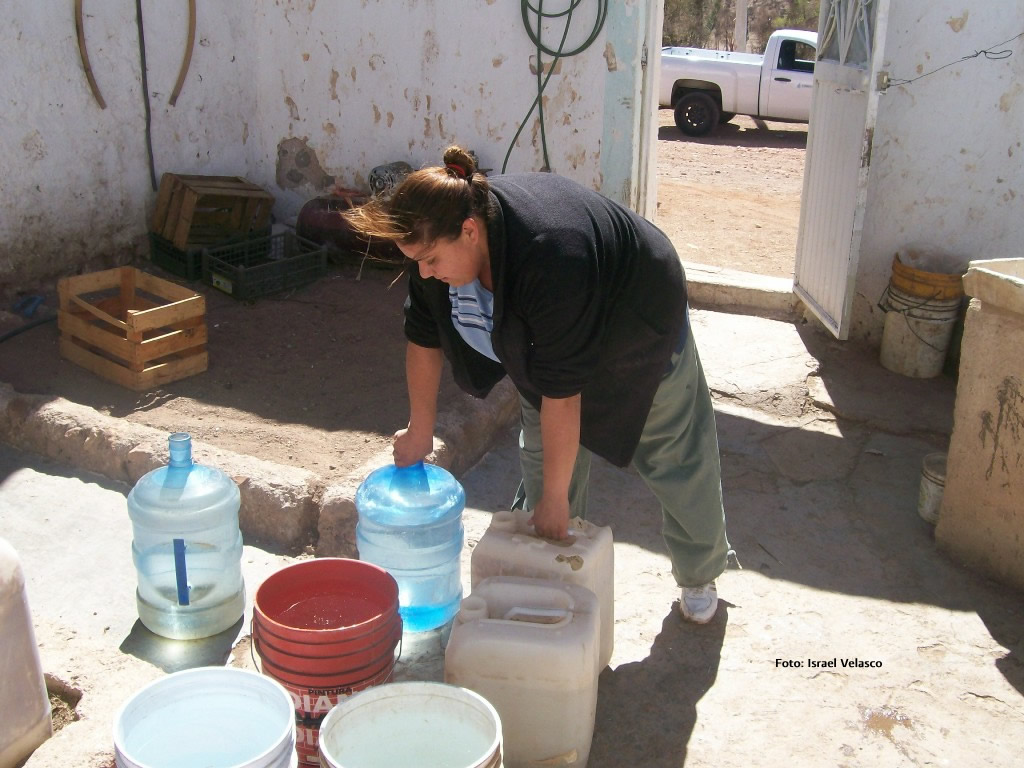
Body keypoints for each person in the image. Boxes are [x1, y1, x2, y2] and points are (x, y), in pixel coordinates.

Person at [344, 146, 731, 624]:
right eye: (416, 263)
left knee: (673, 454)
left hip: (635, 320)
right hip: (551, 340)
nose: (424, 273)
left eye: (429, 260)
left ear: (469, 231)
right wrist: (419, 430)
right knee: (544, 467)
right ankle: (553, 574)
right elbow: (423, 338)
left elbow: (563, 394)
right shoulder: (436, 243)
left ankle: (699, 573)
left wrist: (555, 500)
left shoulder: (550, 252)